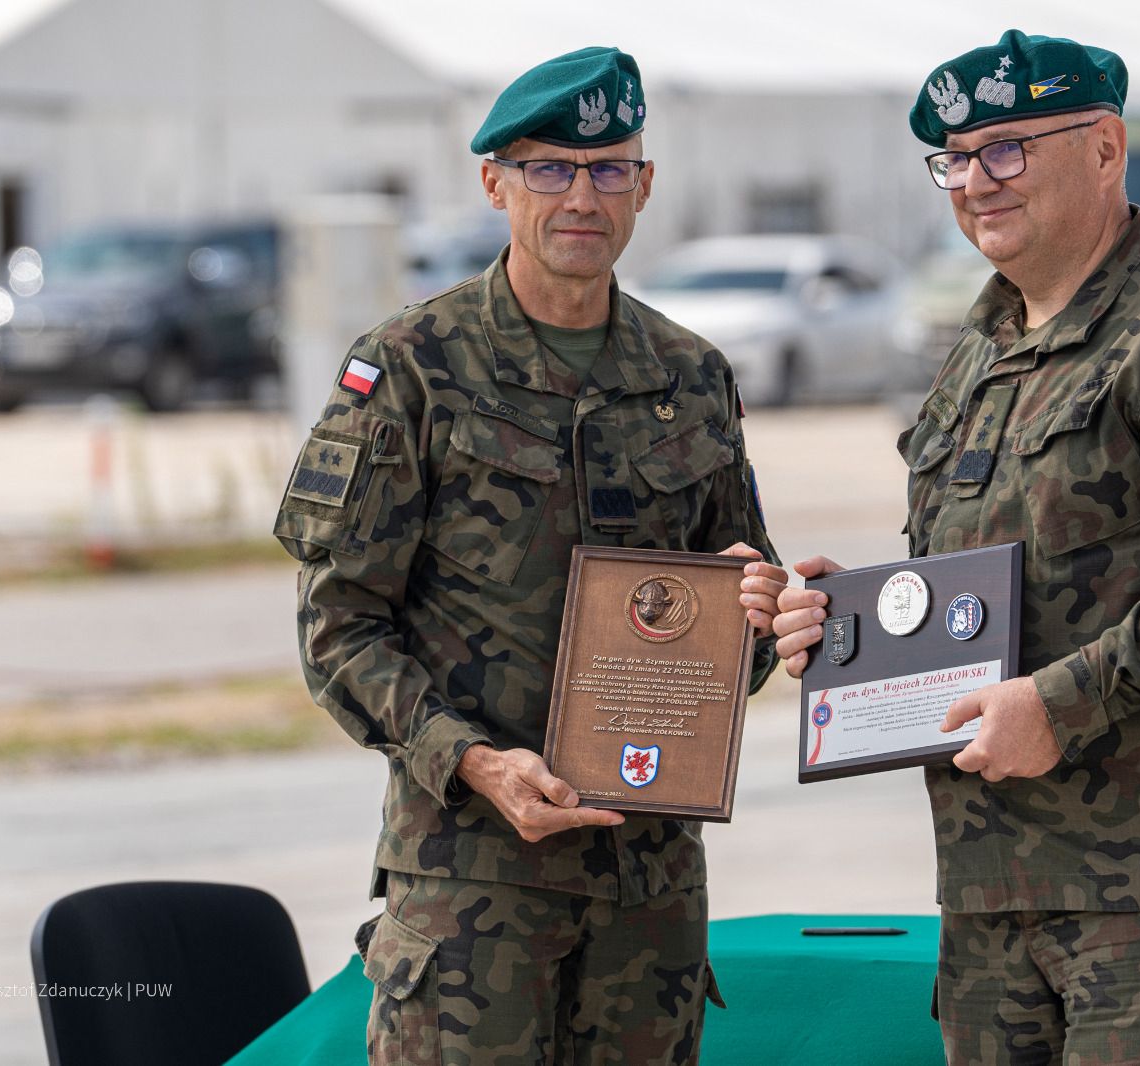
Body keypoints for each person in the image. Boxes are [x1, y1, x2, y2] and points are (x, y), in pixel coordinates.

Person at [771, 28, 1140, 1064]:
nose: (974, 182)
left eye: (1006, 150)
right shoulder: (981, 350)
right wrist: (857, 624)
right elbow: (989, 592)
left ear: (1105, 148)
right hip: (994, 894)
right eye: (954, 159)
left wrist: (1062, 705)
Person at [272, 46, 786, 1065]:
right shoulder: (412, 367)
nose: (581, 197)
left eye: (608, 169)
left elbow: (738, 611)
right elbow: (339, 628)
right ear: (494, 183)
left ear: (644, 185)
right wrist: (473, 762)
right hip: (474, 885)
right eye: (549, 168)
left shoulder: (689, 374)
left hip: (647, 891)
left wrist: (767, 618)